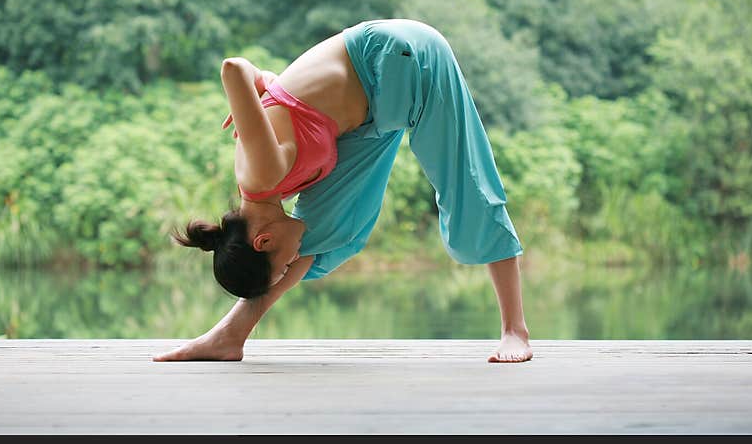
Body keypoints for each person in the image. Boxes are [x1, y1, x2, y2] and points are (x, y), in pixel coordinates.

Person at [153, 19, 532, 363]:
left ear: (264, 241)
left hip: (402, 60)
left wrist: (258, 82)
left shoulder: (262, 172)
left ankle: (515, 330)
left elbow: (232, 67)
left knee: (467, 185)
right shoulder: (266, 195)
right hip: (369, 114)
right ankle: (230, 335)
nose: (292, 262)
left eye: (283, 262)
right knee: (330, 229)